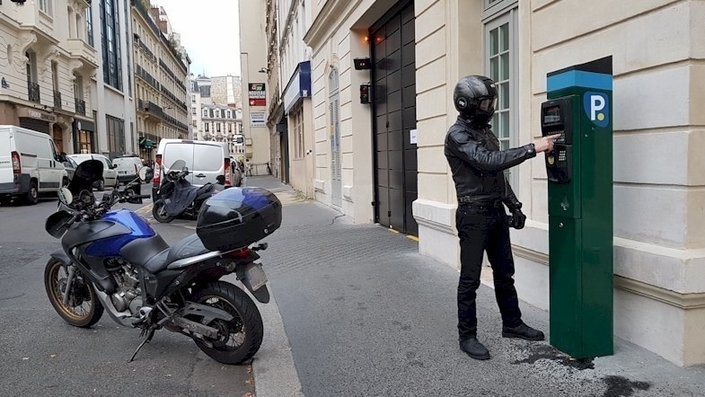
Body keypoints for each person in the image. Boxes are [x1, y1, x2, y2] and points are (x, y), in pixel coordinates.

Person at [444, 75, 561, 361]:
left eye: (491, 101)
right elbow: (488, 162)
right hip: (473, 215)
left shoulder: (485, 132)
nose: (490, 106)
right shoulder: (457, 136)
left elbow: (497, 174)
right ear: (467, 104)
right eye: (485, 102)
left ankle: (512, 324)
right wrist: (534, 148)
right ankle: (467, 336)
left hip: (495, 211)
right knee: (469, 279)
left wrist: (514, 205)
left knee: (504, 273)